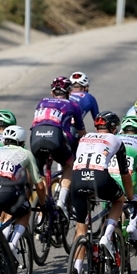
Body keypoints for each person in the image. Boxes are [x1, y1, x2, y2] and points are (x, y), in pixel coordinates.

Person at [69, 112, 133, 274]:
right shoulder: (116, 140)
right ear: (113, 127)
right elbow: (124, 173)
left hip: (77, 179)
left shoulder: (85, 137)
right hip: (100, 178)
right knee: (118, 201)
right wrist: (129, 196)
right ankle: (106, 236)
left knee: (81, 230)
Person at [0, 126, 46, 258]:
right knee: (25, 210)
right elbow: (40, 186)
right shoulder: (25, 153)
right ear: (22, 143)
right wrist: (42, 206)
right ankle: (12, 243)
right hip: (5, 191)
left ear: (4, 141)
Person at [30, 77, 85, 211]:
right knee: (68, 166)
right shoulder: (73, 105)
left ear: (52, 92)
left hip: (35, 136)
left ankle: (44, 204)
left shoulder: (42, 102)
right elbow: (81, 132)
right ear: (69, 92)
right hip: (55, 137)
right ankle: (61, 202)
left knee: (38, 169)